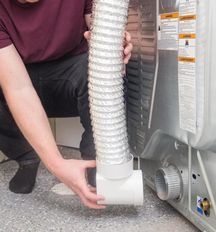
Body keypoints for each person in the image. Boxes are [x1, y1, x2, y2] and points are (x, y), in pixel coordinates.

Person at [0, 0, 133, 209]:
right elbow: (18, 89)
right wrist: (57, 164)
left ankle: (96, 165)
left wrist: (114, 44)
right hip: (20, 74)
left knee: (108, 66)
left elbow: (98, 26)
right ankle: (26, 158)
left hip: (73, 71)